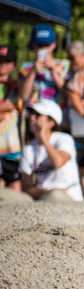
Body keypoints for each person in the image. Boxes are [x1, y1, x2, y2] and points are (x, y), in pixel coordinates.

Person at [18, 99, 84, 201]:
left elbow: (58, 162)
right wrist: (44, 193)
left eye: (37, 115)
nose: (31, 118)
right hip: (44, 199)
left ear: (51, 122)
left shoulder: (64, 139)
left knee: (55, 195)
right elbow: (26, 187)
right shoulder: (29, 148)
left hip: (70, 198)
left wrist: (44, 139)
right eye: (31, 114)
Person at [0, 44, 21, 192]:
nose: (2, 65)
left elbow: (18, 103)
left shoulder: (17, 85)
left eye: (6, 62)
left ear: (14, 65)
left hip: (12, 144)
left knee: (15, 181)